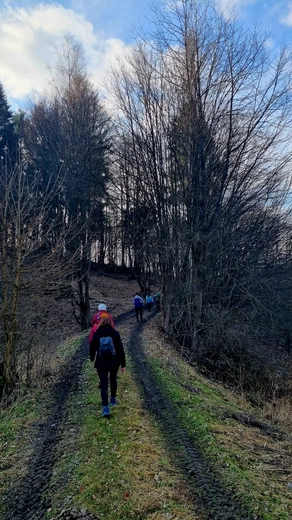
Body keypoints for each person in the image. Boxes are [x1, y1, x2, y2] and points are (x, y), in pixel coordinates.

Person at [89, 316, 126, 417]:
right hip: (114, 362)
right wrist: (123, 364)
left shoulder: (97, 333)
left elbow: (92, 346)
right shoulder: (115, 333)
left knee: (104, 384)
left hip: (101, 362)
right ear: (110, 323)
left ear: (101, 322)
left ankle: (105, 408)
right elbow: (120, 349)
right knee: (113, 379)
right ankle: (113, 400)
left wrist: (92, 357)